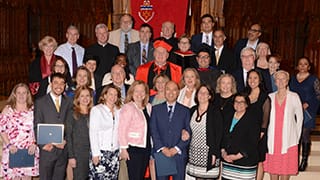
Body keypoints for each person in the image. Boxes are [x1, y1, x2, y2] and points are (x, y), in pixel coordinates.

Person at [264, 70, 303, 179]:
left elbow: (300, 118)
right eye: (278, 79)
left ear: (287, 81)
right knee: (273, 171)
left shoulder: (294, 96)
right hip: (273, 140)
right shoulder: (270, 97)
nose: (280, 81)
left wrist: (296, 138)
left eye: (283, 79)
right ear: (275, 81)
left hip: (289, 140)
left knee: (285, 170)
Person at [34, 73, 73, 180]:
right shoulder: (40, 102)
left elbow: (70, 124)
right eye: (56, 82)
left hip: (62, 149)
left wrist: (65, 140)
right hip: (47, 149)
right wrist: (42, 144)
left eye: (62, 83)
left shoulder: (69, 102)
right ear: (51, 84)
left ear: (65, 85)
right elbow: (36, 124)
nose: (59, 86)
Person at [150, 81, 191, 180]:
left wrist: (176, 149)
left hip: (178, 154)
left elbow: (188, 133)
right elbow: (153, 131)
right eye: (168, 89)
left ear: (178, 92)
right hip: (162, 154)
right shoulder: (156, 109)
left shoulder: (185, 111)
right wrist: (163, 149)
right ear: (164, 91)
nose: (171, 92)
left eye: (174, 90)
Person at [0, 83, 39, 180]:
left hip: (29, 149)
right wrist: (9, 145)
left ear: (28, 94)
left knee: (27, 177)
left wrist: (34, 143)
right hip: (12, 149)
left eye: (24, 93)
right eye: (19, 93)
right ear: (14, 94)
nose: (21, 95)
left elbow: (38, 128)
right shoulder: (8, 110)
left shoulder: (34, 109)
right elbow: (2, 129)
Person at [289, 57, 320, 171]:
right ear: (297, 66)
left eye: (305, 64)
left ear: (309, 67)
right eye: (300, 64)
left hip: (308, 111)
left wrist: (308, 104)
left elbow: (318, 95)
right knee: (294, 135)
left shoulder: (313, 79)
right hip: (294, 111)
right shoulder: (291, 79)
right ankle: (293, 160)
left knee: (304, 134)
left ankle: (304, 161)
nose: (302, 66)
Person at [186, 85, 223, 179]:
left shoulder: (215, 112)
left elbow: (219, 135)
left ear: (209, 96)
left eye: (205, 93)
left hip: (208, 153)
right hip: (194, 153)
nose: (202, 95)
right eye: (200, 92)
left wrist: (214, 153)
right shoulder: (192, 110)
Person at [221, 92, 260, 180]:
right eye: (236, 101)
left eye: (242, 102)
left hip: (245, 161)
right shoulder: (227, 116)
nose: (239, 104)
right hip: (228, 161)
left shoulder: (252, 119)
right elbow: (222, 136)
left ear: (246, 104)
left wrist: (237, 156)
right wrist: (223, 153)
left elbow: (253, 141)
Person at [118, 80, 152, 180]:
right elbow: (122, 129)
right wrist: (123, 149)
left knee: (140, 177)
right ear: (132, 92)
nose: (139, 94)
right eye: (136, 91)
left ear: (146, 94)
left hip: (145, 148)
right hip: (133, 149)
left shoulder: (149, 107)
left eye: (142, 91)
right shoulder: (128, 107)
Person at [89, 84, 122, 179]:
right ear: (104, 95)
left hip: (114, 153)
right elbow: (93, 133)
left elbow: (119, 131)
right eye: (110, 94)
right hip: (101, 153)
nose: (113, 97)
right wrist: (95, 154)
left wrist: (119, 150)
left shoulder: (118, 111)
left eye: (116, 95)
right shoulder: (97, 110)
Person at [245, 69, 271, 180]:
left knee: (259, 160)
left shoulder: (265, 97)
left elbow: (266, 117)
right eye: (250, 78)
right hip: (244, 133)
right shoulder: (243, 94)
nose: (252, 80)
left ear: (260, 80)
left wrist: (261, 133)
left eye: (255, 78)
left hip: (259, 134)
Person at [66, 86, 93, 180]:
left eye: (87, 96)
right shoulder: (72, 113)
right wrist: (71, 156)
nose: (85, 98)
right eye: (82, 96)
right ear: (77, 98)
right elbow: (68, 136)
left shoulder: (94, 112)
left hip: (92, 152)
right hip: (78, 154)